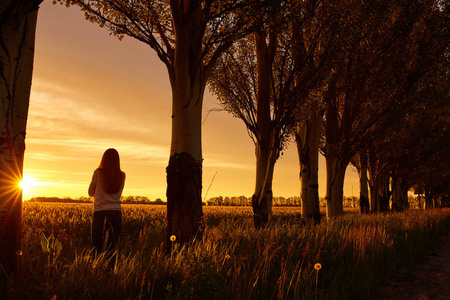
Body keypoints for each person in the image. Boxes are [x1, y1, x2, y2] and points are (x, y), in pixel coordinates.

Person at [88, 148, 126, 261]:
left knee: (96, 246)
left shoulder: (98, 173)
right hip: (116, 213)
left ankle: (95, 272)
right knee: (111, 248)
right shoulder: (122, 175)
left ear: (103, 159)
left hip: (100, 213)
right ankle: (109, 274)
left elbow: (90, 192)